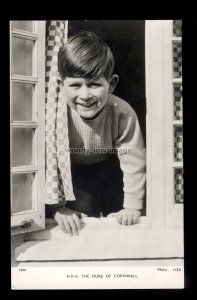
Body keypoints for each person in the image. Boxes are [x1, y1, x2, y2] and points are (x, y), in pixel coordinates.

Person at [48, 31, 146, 236]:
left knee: (120, 221)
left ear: (111, 84)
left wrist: (133, 206)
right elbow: (43, 162)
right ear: (60, 85)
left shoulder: (121, 112)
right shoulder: (53, 113)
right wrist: (56, 207)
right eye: (75, 85)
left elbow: (133, 160)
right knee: (79, 223)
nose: (85, 95)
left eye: (94, 84)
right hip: (69, 173)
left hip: (111, 168)